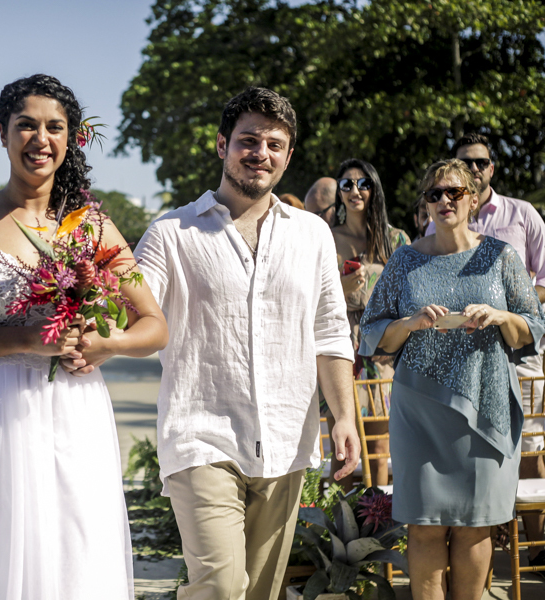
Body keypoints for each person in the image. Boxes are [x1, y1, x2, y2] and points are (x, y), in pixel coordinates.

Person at [85, 87, 359, 600]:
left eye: (275, 144)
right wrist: (104, 333)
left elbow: (329, 331)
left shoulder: (311, 235)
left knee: (258, 592)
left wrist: (343, 415)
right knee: (220, 585)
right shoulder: (173, 232)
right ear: (221, 146)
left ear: (288, 156)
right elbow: (136, 311)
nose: (261, 153)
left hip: (286, 439)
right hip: (201, 432)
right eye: (248, 140)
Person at [0, 74, 167, 600]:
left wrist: (106, 346)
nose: (39, 138)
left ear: (70, 138)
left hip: (73, 414)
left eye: (54, 127)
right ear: (2, 134)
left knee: (73, 549)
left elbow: (153, 326)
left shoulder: (91, 226)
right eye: (25, 125)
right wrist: (28, 339)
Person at [360, 158, 544, 599]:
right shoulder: (404, 261)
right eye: (434, 194)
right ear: (425, 205)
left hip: (487, 407)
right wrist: (410, 322)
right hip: (419, 411)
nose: (444, 200)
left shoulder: (500, 256)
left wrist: (500, 316)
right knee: (423, 529)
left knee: (475, 531)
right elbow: (371, 332)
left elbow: (533, 326)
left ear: (475, 199)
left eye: (454, 192)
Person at [427, 132, 545, 569]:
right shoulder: (437, 218)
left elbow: (544, 285)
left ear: (491, 168)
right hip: (455, 356)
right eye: (463, 163)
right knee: (468, 452)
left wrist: (503, 309)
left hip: (517, 348)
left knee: (528, 446)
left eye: (479, 163)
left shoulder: (523, 215)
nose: (471, 170)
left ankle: (534, 549)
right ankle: (482, 547)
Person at [326, 158, 410, 490]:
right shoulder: (325, 238)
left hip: (384, 346)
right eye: (346, 184)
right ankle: (338, 526)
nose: (355, 191)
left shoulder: (396, 240)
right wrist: (342, 288)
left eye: (363, 184)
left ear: (374, 189)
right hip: (340, 343)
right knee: (341, 439)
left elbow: (411, 295)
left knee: (378, 443)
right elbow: (310, 295)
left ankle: (379, 518)